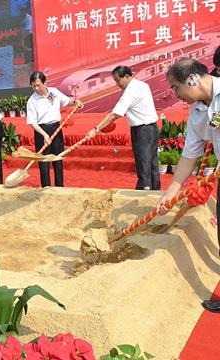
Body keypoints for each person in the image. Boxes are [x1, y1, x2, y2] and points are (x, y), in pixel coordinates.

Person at [156, 57, 220, 313]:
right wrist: (171, 192)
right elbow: (188, 157)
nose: (176, 94)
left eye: (175, 88)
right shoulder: (196, 112)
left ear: (191, 79)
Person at [86, 65, 160, 190]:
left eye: (118, 80)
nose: (117, 84)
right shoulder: (142, 85)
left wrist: (95, 129)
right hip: (152, 128)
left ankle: (144, 191)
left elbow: (114, 114)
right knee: (152, 163)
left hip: (142, 131)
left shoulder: (131, 91)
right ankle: (155, 191)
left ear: (127, 76)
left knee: (143, 163)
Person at [27, 71, 82, 187]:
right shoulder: (32, 101)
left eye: (38, 85)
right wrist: (44, 135)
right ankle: (46, 189)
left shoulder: (54, 92)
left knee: (58, 159)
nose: (36, 88)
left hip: (56, 129)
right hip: (41, 131)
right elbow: (32, 122)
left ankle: (59, 187)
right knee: (44, 162)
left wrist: (76, 102)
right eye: (33, 86)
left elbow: (68, 101)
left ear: (45, 83)